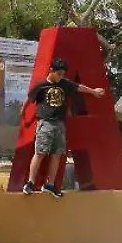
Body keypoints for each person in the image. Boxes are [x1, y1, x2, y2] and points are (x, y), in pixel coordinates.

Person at [21, 59, 108, 198]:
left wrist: (93, 92)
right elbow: (29, 98)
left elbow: (79, 87)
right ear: (52, 70)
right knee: (40, 152)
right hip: (45, 123)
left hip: (60, 124)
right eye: (59, 74)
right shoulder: (42, 85)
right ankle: (30, 182)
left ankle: (50, 184)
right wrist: (23, 112)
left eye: (63, 74)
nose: (61, 76)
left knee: (57, 154)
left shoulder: (64, 84)